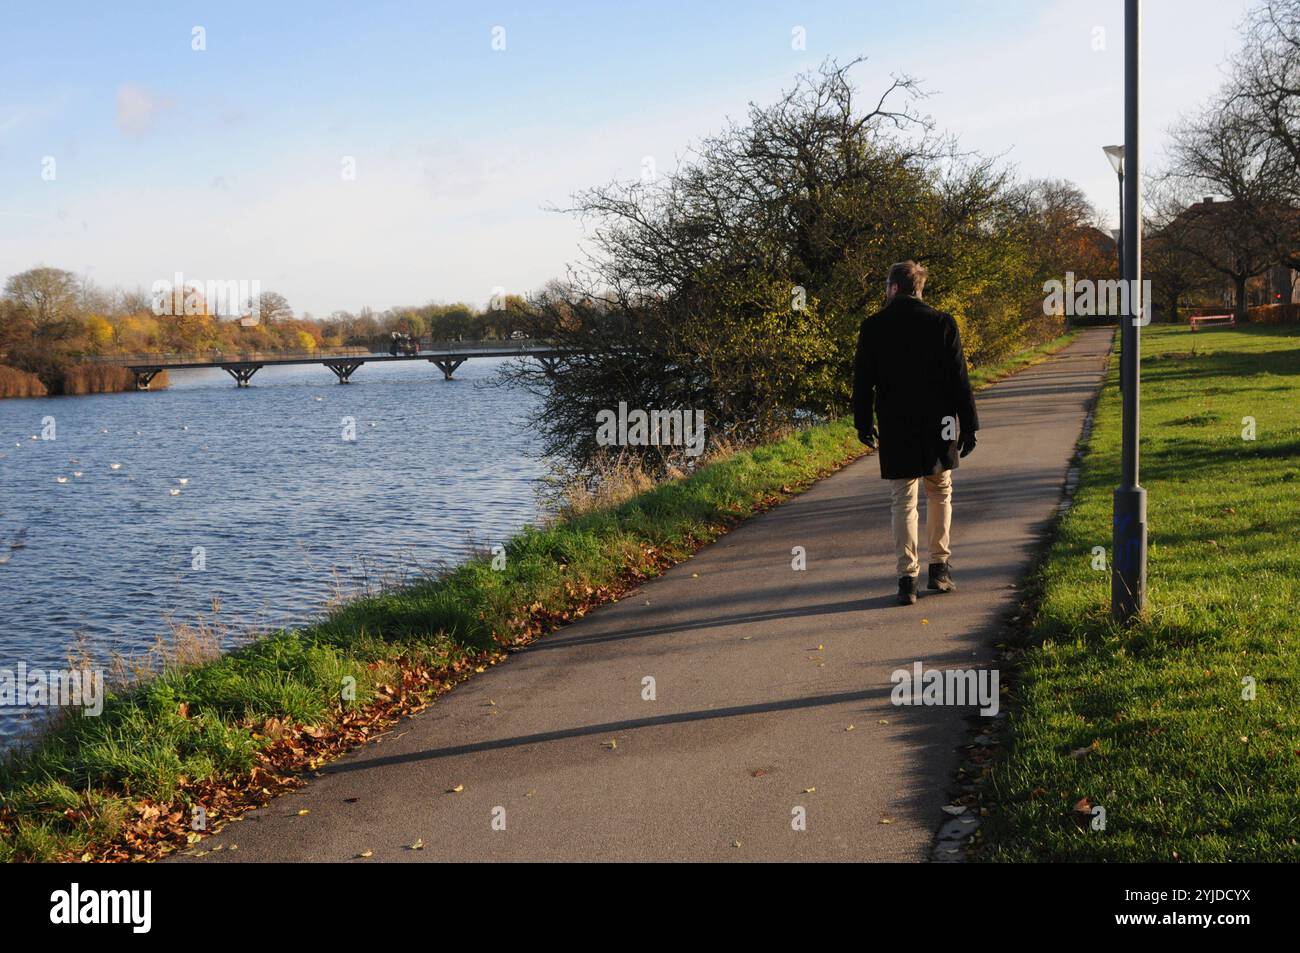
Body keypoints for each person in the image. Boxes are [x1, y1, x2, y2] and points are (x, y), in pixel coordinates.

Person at [852, 261, 979, 606]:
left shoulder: (874, 326)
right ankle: (940, 569)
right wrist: (969, 424)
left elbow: (864, 383)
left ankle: (907, 579)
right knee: (941, 489)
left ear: (893, 288)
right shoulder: (942, 323)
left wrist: (862, 423)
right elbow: (959, 379)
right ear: (919, 288)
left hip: (897, 424)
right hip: (940, 423)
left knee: (903, 499)